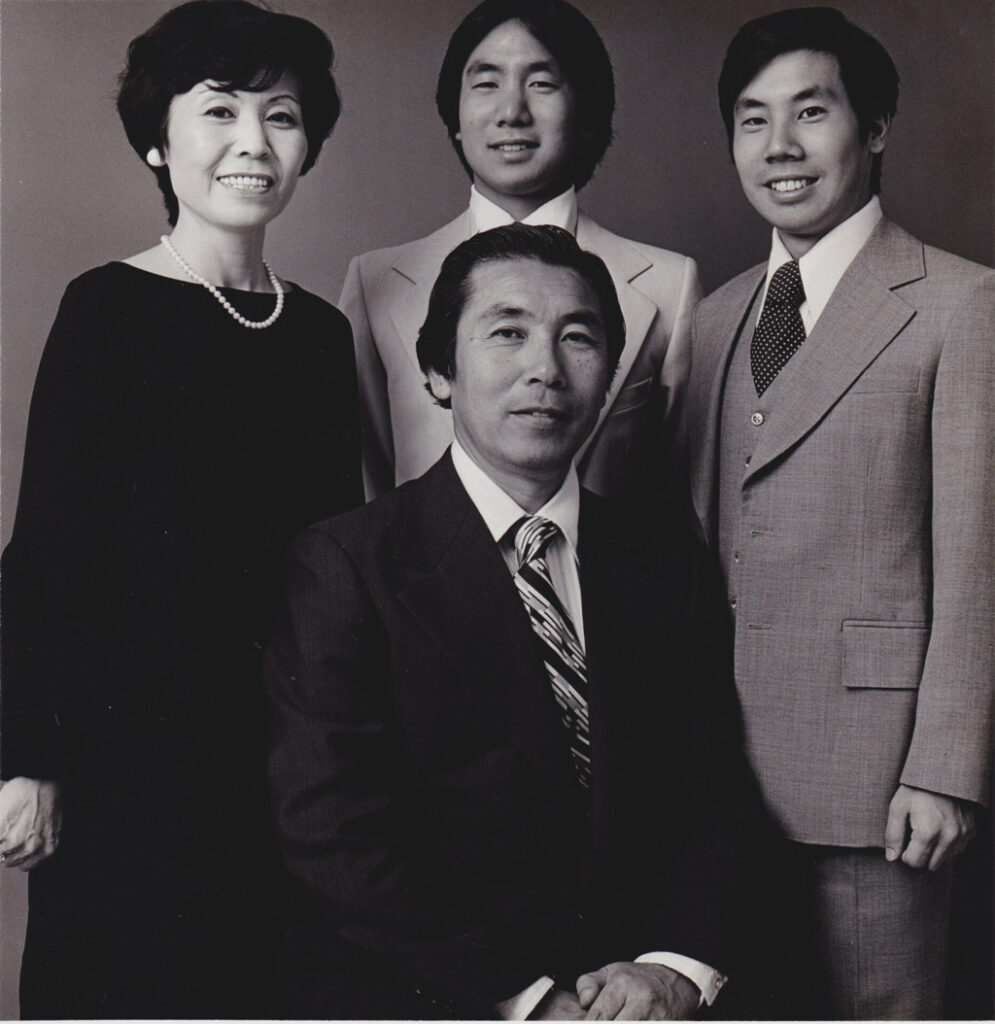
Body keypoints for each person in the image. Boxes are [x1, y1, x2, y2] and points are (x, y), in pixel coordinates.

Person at [266, 223, 765, 1020]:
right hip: (439, 999)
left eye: (578, 338)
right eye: (507, 333)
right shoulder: (347, 563)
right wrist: (530, 999)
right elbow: (332, 831)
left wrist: (674, 967)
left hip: (637, 1000)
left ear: (607, 382)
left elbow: (712, 794)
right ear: (437, 372)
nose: (545, 370)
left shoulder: (663, 563)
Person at [0, 1, 361, 1017]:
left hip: (286, 770)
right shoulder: (105, 308)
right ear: (160, 140)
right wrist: (26, 756)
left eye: (282, 116)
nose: (253, 142)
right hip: (130, 770)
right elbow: (46, 552)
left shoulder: (323, 337)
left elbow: (335, 571)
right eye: (219, 111)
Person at [685, 7, 994, 1018]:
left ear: (871, 129)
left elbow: (976, 559)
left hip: (874, 789)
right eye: (750, 118)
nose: (777, 146)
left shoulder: (958, 304)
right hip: (714, 790)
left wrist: (944, 769)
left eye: (808, 112)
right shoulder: (716, 317)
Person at [340, 0, 702, 508]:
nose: (511, 112)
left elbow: (678, 488)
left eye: (542, 83)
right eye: (486, 83)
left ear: (586, 115)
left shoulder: (669, 283)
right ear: (457, 116)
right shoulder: (377, 280)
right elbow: (368, 482)